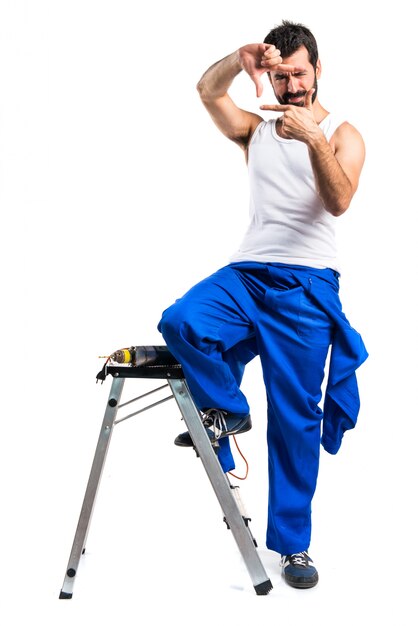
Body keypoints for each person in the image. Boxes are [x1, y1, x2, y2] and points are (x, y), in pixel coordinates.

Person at [158, 20, 368, 589]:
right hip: (247, 273)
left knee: (296, 422)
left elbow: (340, 200)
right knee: (183, 322)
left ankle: (294, 548)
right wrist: (238, 57)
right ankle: (228, 409)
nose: (292, 86)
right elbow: (208, 91)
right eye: (280, 76)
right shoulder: (256, 131)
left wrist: (315, 139)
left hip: (307, 285)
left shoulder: (343, 133)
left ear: (318, 71)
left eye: (300, 74)